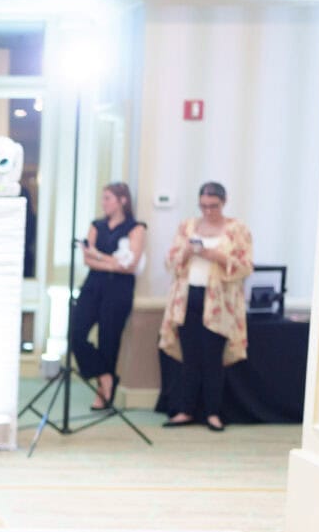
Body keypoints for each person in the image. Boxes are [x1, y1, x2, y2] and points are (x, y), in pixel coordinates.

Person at [159, 181, 254, 432]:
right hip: (188, 297)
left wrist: (217, 257)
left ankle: (213, 412)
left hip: (219, 302)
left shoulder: (237, 229)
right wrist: (188, 253)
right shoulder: (188, 227)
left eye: (213, 206)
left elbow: (245, 265)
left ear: (223, 203)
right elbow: (170, 261)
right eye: (203, 206)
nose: (208, 211)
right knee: (189, 357)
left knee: (213, 359)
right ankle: (185, 409)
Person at [70, 182, 147, 408]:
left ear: (122, 200)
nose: (103, 203)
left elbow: (130, 265)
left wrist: (100, 257)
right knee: (76, 332)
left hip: (119, 289)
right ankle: (104, 375)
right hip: (93, 285)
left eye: (108, 198)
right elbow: (87, 258)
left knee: (108, 339)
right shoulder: (96, 225)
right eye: (103, 198)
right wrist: (113, 262)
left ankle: (104, 392)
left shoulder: (136, 228)